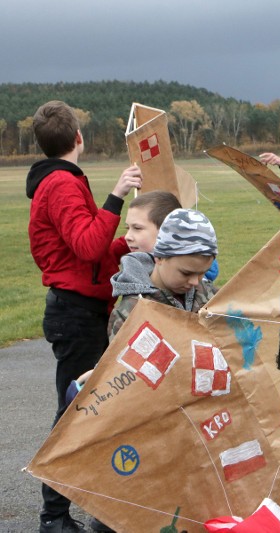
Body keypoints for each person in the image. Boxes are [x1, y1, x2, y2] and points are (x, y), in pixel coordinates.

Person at [26, 100, 142, 533]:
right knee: (77, 413)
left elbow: (88, 256)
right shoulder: (60, 183)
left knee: (89, 410)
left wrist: (126, 247)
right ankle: (53, 517)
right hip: (75, 314)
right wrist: (117, 195)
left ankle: (93, 509)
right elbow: (89, 246)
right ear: (79, 138)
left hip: (81, 307)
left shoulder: (61, 181)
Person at [109, 209, 218, 339]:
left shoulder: (211, 296)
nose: (195, 282)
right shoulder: (131, 313)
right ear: (159, 258)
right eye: (186, 273)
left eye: (202, 273)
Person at [124, 190, 220, 281]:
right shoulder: (137, 270)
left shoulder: (189, 284)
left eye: (137, 228)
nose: (127, 237)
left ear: (166, 229)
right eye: (127, 228)